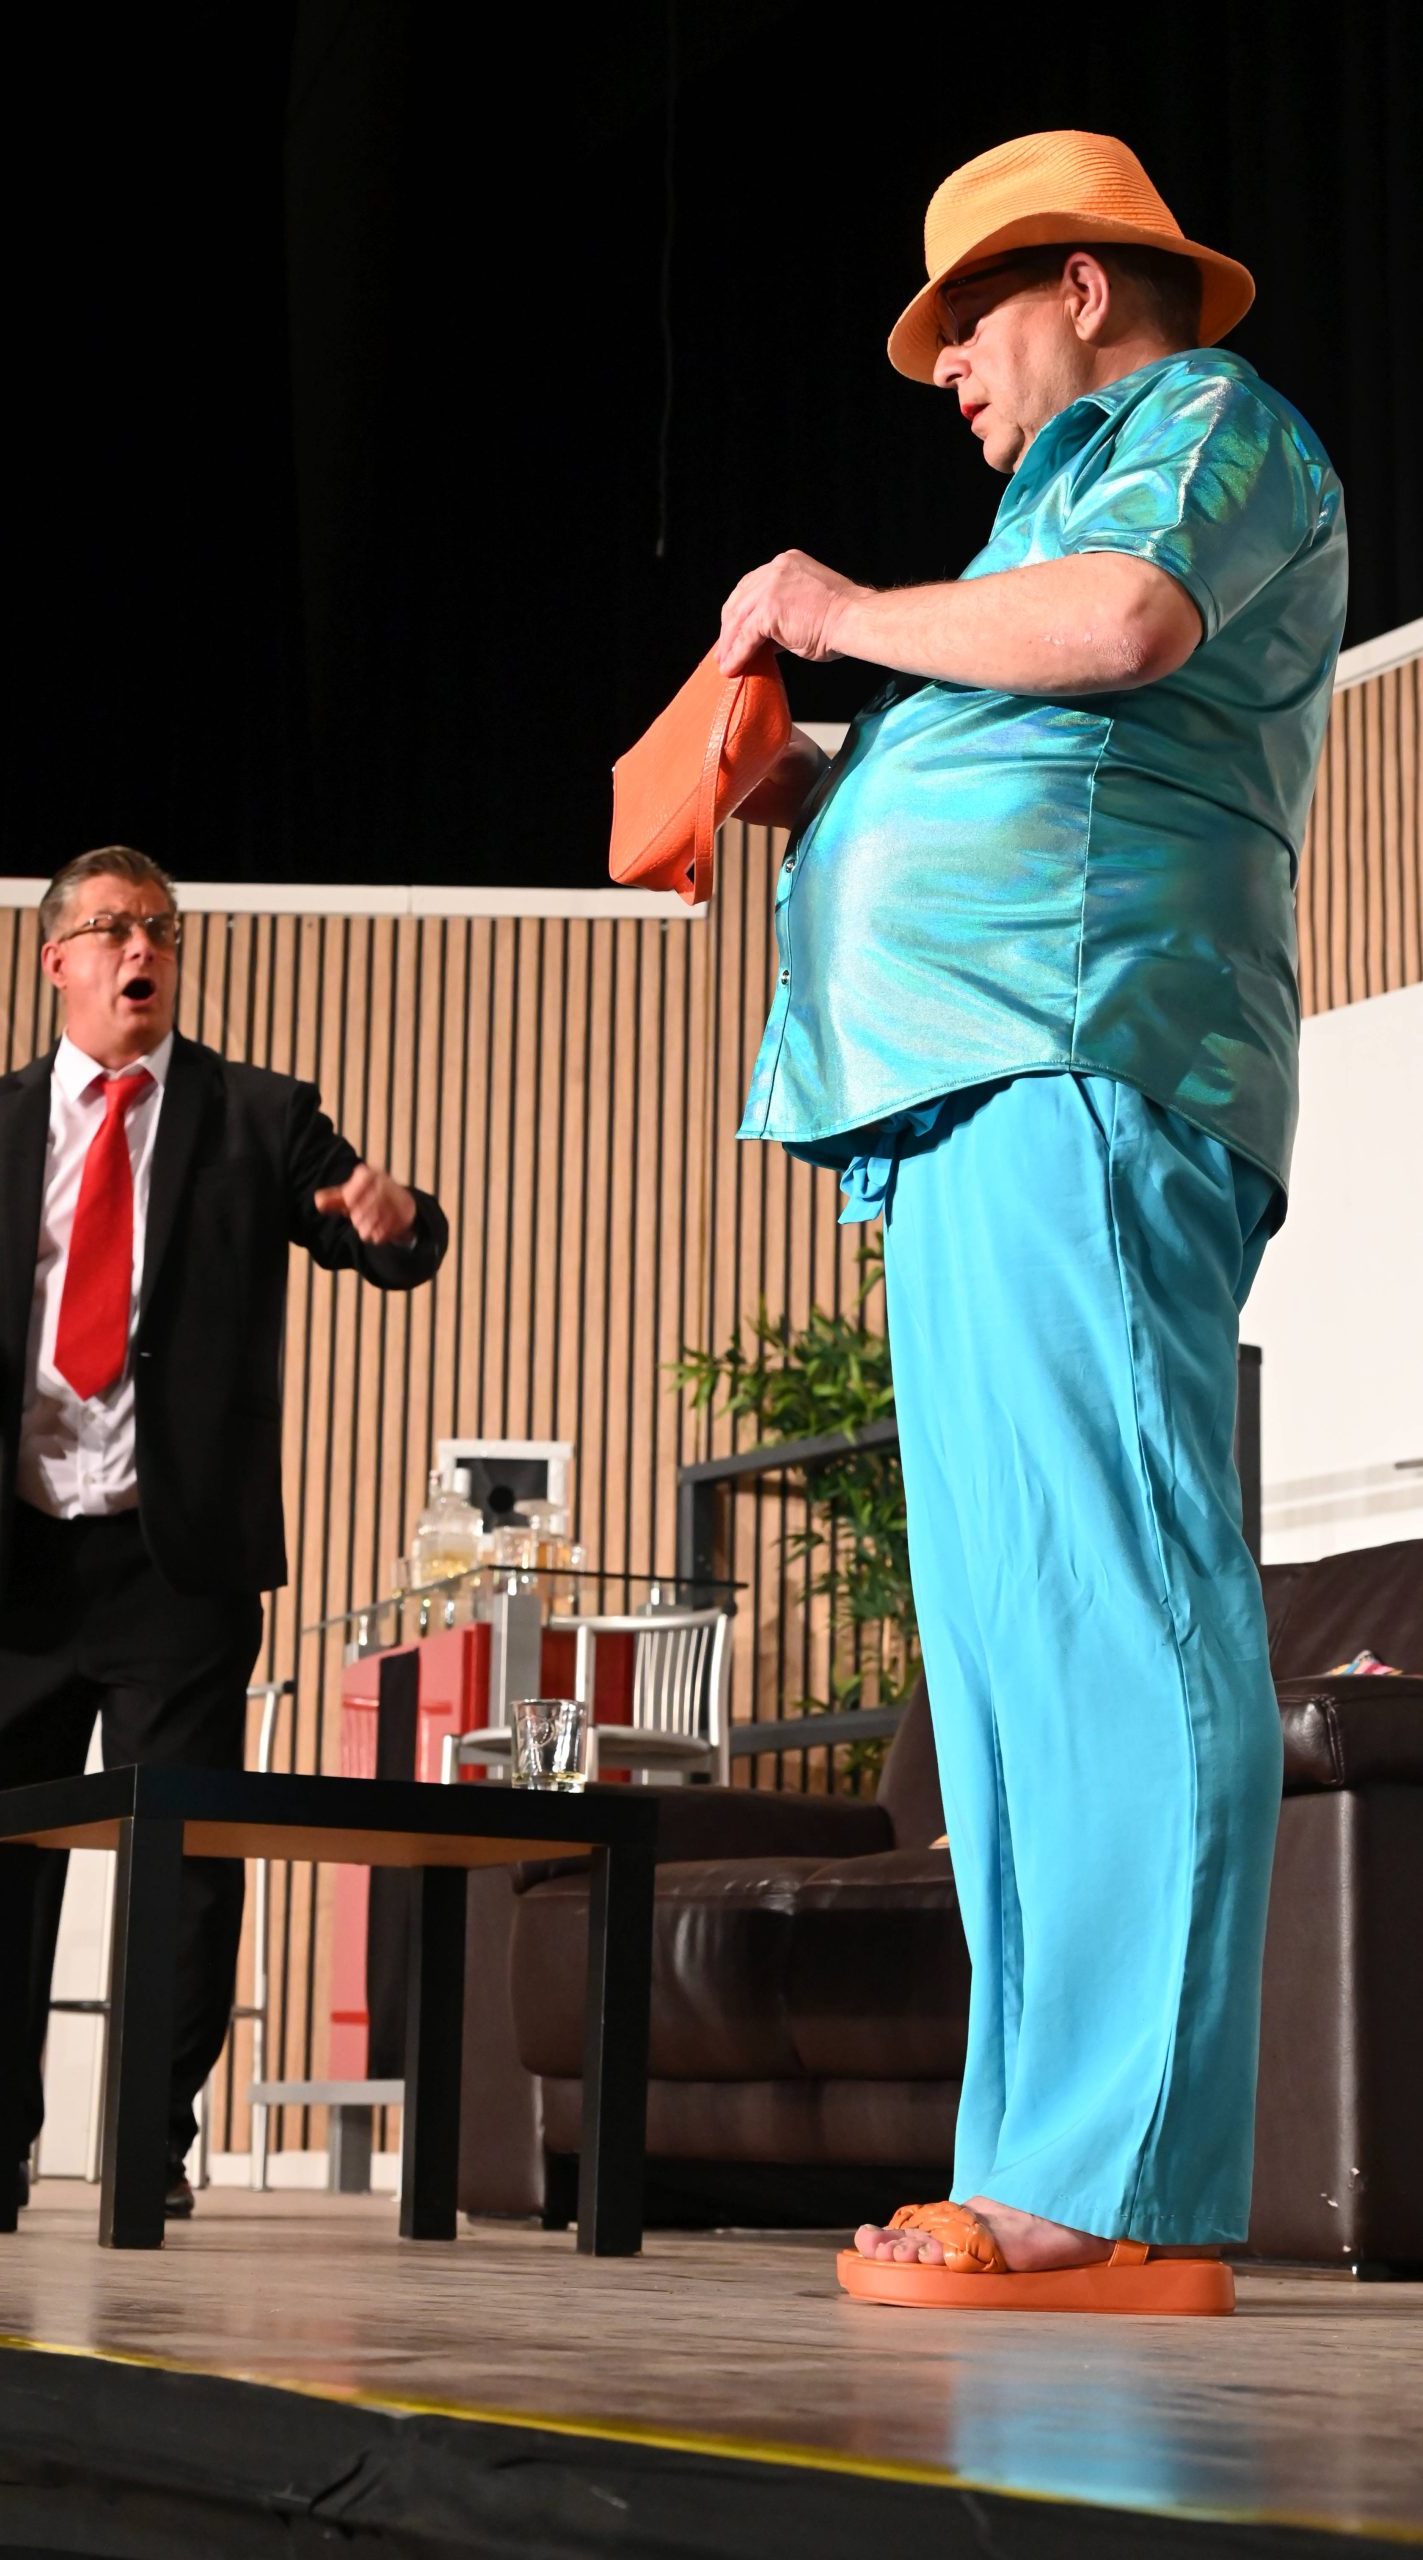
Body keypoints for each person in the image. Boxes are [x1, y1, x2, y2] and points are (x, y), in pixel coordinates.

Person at [720, 132, 1346, 2310]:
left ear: (1083, 286)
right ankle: (1043, 2164)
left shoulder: (1209, 423)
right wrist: (827, 783)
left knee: (1113, 1604)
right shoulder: (1032, 523)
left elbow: (1126, 627)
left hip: (1091, 1051)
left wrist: (832, 616)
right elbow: (1030, 708)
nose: (947, 377)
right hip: (974, 1089)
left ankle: (1130, 2181)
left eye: (964, 326)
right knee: (1000, 1659)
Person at [0, 844, 448, 2218]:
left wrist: (395, 1220)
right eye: (117, 929)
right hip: (13, 1564)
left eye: (164, 932)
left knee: (182, 1863)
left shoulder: (256, 1115)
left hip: (175, 1566)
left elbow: (385, 1238)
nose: (145, 951)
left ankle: (149, 2146)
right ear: (56, 959)